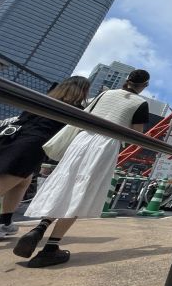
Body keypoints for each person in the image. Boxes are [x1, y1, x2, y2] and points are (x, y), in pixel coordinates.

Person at [14, 69, 150, 267]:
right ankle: (50, 248)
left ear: (126, 80)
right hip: (105, 146)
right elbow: (136, 135)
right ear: (144, 86)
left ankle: (40, 228)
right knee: (81, 192)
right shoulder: (140, 103)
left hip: (82, 140)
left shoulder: (105, 94)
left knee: (64, 183)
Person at [0, 76, 91, 238]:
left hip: (10, 137)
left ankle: (5, 222)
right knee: (8, 181)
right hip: (31, 145)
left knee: (23, 181)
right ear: (83, 91)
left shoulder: (44, 99)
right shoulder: (75, 109)